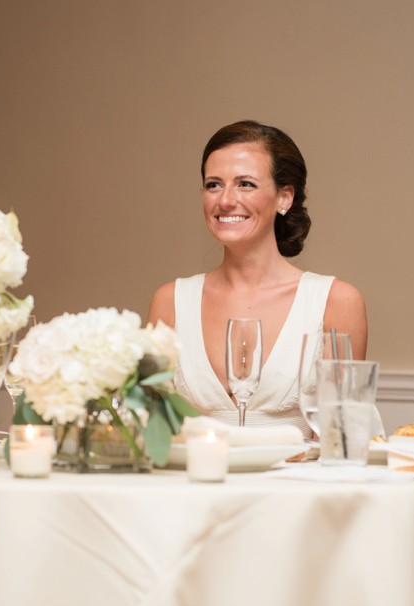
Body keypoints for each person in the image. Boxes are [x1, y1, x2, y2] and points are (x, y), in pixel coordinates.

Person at [148, 120, 367, 439]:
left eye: (245, 184)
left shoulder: (336, 302)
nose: (225, 200)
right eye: (213, 185)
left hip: (295, 487)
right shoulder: (169, 302)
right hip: (196, 485)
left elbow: (339, 442)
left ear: (284, 198)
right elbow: (154, 431)